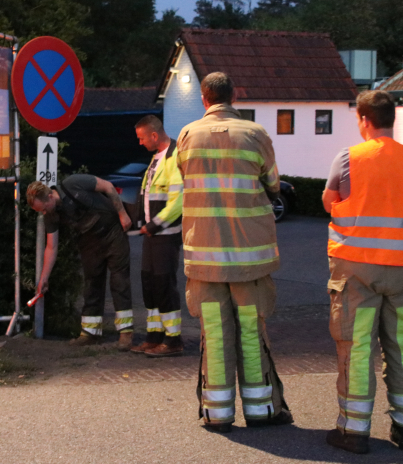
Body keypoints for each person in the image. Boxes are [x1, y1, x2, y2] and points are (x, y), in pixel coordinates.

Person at [176, 72, 292, 433]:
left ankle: (217, 414)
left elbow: (186, 178)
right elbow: (273, 183)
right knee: (251, 332)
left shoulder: (187, 135)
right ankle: (261, 411)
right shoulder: (255, 134)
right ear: (234, 96)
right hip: (249, 258)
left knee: (214, 333)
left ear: (204, 98)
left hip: (204, 258)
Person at [321, 90, 403, 454]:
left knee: (358, 345)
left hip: (357, 271)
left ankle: (354, 431)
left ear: (364, 120)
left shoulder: (349, 157)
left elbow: (329, 201)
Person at [27, 175, 135, 350]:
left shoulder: (73, 183)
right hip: (89, 241)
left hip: (113, 232)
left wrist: (122, 214)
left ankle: (126, 333)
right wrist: (44, 278)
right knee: (92, 284)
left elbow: (108, 186)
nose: (44, 213)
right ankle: (90, 333)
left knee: (119, 282)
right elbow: (51, 247)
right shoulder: (51, 215)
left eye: (44, 208)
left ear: (49, 196)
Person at [130, 115, 185, 357]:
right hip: (152, 235)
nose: (140, 143)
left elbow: (178, 201)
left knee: (164, 285)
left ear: (154, 135)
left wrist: (153, 225)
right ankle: (154, 337)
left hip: (165, 234)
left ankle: (173, 340)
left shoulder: (174, 157)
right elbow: (147, 195)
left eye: (142, 138)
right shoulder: (156, 158)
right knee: (149, 284)